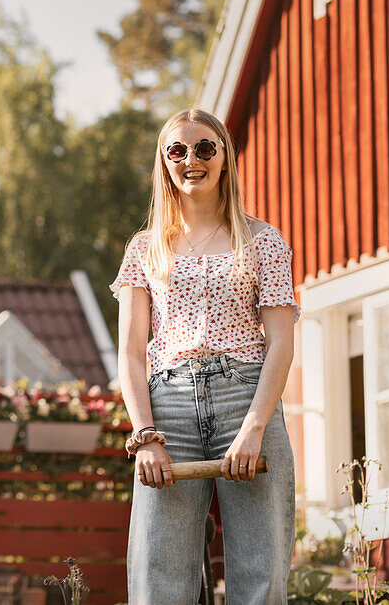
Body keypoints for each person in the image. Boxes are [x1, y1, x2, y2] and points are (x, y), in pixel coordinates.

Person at [111, 107, 299, 604]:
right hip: (167, 408)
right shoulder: (145, 249)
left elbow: (281, 341)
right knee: (158, 578)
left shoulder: (262, 241)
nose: (190, 159)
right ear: (164, 163)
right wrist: (145, 435)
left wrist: (255, 428)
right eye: (177, 150)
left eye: (204, 148)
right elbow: (131, 353)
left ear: (224, 158)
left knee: (262, 573)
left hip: (246, 399)